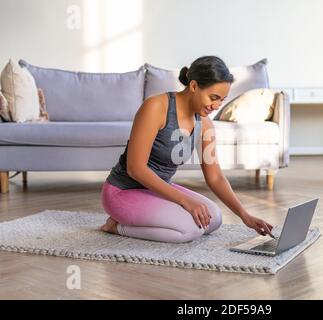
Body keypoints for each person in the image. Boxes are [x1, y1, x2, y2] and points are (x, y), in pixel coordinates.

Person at [100, 56, 274, 243]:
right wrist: (185, 200)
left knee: (213, 219)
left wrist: (244, 215)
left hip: (155, 190)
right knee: (189, 230)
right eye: (213, 97)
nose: (215, 106)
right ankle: (116, 226)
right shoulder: (156, 107)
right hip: (122, 191)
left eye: (221, 101)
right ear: (193, 86)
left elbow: (214, 176)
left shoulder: (205, 125)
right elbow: (136, 168)